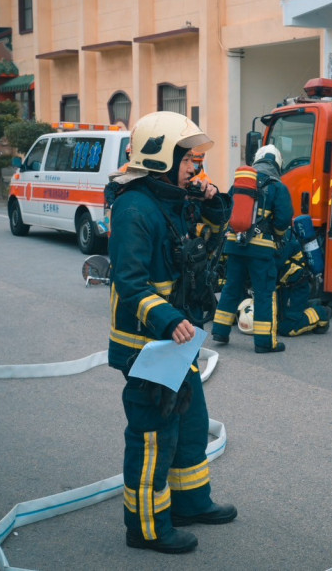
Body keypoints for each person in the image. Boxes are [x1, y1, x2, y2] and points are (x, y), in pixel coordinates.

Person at [107, 111, 235, 555]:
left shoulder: (173, 200)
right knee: (154, 433)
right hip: (147, 346)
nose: (195, 167)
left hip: (176, 343)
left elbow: (215, 236)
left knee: (191, 422)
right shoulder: (134, 208)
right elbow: (129, 282)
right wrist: (166, 319)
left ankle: (190, 503)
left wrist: (213, 200)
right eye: (190, 159)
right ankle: (145, 527)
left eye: (197, 159)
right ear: (162, 156)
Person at [211, 144, 294, 353]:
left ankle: (220, 330)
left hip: (235, 245)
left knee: (231, 287)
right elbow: (284, 220)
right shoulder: (277, 186)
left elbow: (228, 210)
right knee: (264, 292)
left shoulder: (241, 183)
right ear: (278, 164)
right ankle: (265, 342)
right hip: (261, 249)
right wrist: (276, 235)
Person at [276, 230, 331, 336]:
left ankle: (321, 313)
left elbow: (274, 266)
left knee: (288, 328)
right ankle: (306, 306)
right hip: (280, 287)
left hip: (294, 288)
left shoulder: (284, 239)